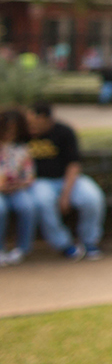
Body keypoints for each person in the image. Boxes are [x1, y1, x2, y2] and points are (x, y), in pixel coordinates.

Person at [26, 103, 106, 260]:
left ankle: (89, 242)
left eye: (33, 121)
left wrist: (65, 195)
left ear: (44, 118)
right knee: (42, 202)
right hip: (40, 182)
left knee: (92, 198)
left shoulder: (64, 132)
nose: (30, 125)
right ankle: (64, 245)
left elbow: (74, 164)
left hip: (68, 179)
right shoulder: (24, 133)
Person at [1, 108, 38, 265]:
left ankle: (22, 249)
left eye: (14, 131)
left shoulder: (22, 149)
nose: (10, 134)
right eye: (7, 130)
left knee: (27, 207)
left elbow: (29, 174)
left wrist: (20, 184)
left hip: (17, 189)